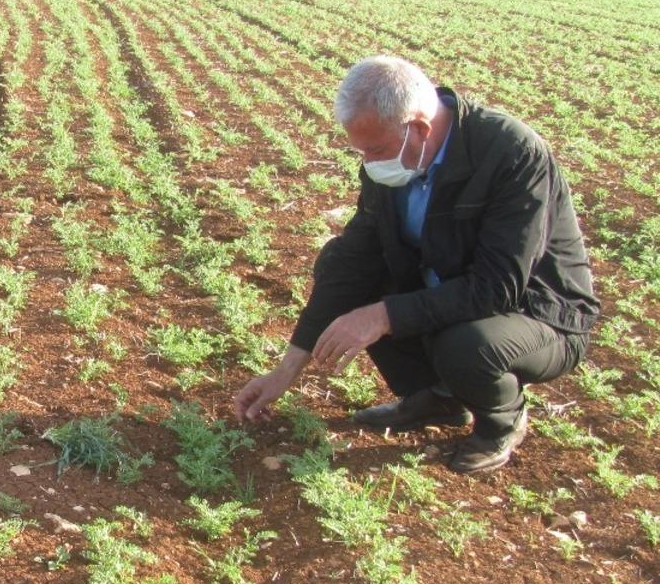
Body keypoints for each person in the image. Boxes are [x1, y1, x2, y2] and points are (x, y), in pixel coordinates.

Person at [234, 56, 598, 473]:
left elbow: (497, 287)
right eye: (361, 151)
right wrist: (285, 371)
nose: (369, 162)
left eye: (375, 150)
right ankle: (440, 398)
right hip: (452, 290)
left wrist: (383, 315)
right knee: (340, 268)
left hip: (537, 315)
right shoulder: (395, 159)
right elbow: (354, 260)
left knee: (466, 345)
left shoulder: (511, 153)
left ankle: (501, 421)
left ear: (419, 128)